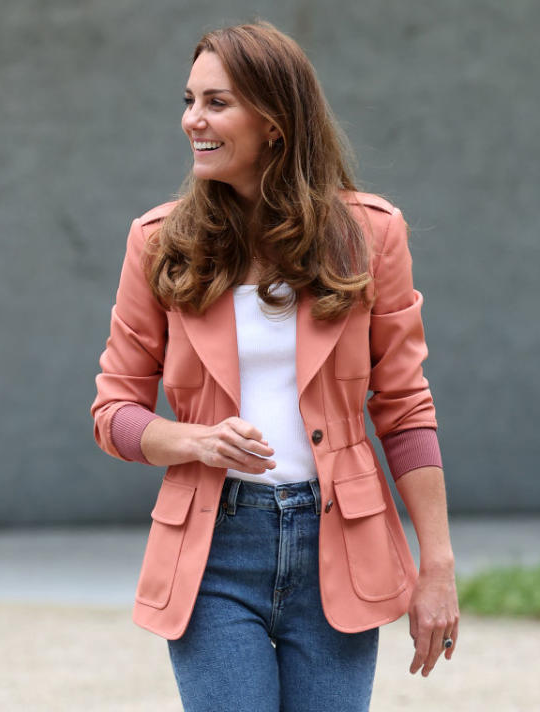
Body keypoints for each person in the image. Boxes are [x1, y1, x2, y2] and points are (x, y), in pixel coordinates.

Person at [91, 20, 459, 712]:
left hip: (339, 541)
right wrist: (194, 440)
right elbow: (114, 413)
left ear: (275, 123)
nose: (191, 120)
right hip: (213, 549)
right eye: (188, 99)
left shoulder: (371, 236)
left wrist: (435, 565)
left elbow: (405, 408)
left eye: (216, 103)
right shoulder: (158, 243)